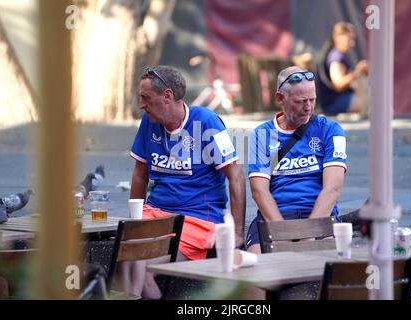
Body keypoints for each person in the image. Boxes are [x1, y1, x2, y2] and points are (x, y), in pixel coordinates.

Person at [121, 65, 246, 298]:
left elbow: (236, 176)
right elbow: (140, 173)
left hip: (196, 219)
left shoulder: (206, 121)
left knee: (138, 263)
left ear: (167, 96)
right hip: (155, 214)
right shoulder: (150, 121)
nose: (140, 104)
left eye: (145, 97)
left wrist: (237, 233)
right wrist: (134, 219)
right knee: (123, 258)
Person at [246, 66, 347, 262]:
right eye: (301, 102)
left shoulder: (330, 130)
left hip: (318, 214)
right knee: (255, 268)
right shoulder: (262, 134)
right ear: (280, 98)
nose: (308, 107)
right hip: (276, 215)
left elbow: (332, 189)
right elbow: (259, 191)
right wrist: (281, 233)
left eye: (312, 100)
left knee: (326, 268)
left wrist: (308, 234)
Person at [316, 22, 369, 116]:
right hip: (333, 104)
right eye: (349, 39)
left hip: (336, 101)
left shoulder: (336, 55)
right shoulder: (336, 57)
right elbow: (338, 84)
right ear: (337, 38)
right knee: (372, 103)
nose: (352, 43)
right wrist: (357, 72)